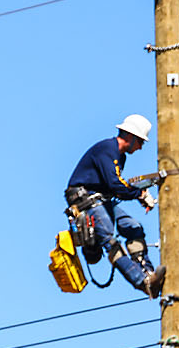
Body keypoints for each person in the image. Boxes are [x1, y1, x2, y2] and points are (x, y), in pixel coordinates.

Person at [65, 115, 167, 298]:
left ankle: (149, 274)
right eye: (140, 142)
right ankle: (142, 282)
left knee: (133, 227)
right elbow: (116, 184)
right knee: (109, 239)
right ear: (130, 136)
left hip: (102, 200)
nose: (140, 147)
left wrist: (138, 193)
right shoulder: (108, 149)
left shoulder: (120, 156)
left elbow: (116, 187)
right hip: (86, 200)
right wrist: (140, 194)